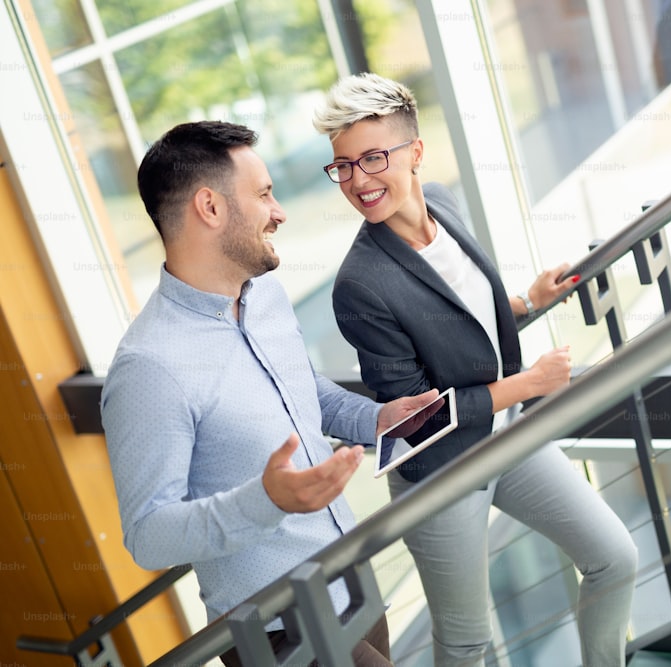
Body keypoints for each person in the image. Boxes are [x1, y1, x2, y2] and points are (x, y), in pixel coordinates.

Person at [313, 73, 638, 667]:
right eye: (343, 166)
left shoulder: (443, 202)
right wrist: (529, 384)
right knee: (467, 643)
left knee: (615, 557)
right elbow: (416, 417)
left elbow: (460, 317)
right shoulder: (359, 285)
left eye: (373, 157)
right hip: (439, 475)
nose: (358, 180)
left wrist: (525, 303)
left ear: (415, 152)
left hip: (504, 439)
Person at [101, 120, 437, 667]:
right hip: (278, 632)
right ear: (209, 207)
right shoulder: (149, 368)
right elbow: (147, 535)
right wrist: (267, 502)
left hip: (351, 583)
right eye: (263, 195)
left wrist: (375, 419)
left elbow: (300, 390)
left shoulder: (266, 297)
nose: (279, 212)